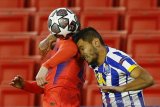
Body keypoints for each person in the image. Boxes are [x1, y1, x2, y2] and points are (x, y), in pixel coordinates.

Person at [10, 8, 85, 107]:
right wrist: (25, 85)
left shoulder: (71, 44)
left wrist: (45, 66)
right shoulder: (58, 54)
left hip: (60, 100)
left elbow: (71, 49)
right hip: (56, 100)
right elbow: (47, 85)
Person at [73, 27, 154, 107]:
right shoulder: (94, 62)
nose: (82, 53)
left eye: (82, 48)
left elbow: (148, 79)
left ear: (96, 43)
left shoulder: (118, 59)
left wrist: (122, 88)